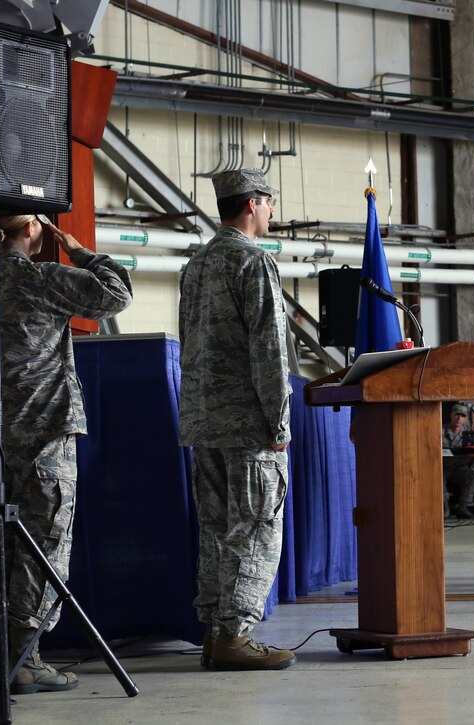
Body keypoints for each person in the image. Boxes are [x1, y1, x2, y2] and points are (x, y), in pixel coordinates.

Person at [0, 214, 132, 694]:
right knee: (41, 545)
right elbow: (116, 294)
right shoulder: (43, 278)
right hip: (44, 440)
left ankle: (3, 655)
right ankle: (26, 657)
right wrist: (81, 251)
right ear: (34, 230)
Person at [178, 168, 296, 671]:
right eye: (269, 201)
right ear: (251, 204)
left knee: (216, 530)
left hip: (203, 422)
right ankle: (236, 635)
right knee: (254, 530)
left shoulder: (196, 264)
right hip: (248, 424)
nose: (272, 210)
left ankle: (215, 632)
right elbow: (270, 352)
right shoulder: (253, 262)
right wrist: (280, 423)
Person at [442, 402, 474, 519]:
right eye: (456, 414)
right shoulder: (440, 430)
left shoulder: (469, 435)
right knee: (438, 477)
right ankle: (443, 507)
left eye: (462, 416)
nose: (459, 418)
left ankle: (463, 506)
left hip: (459, 468)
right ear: (451, 415)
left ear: (466, 419)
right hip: (442, 467)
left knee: (472, 475)